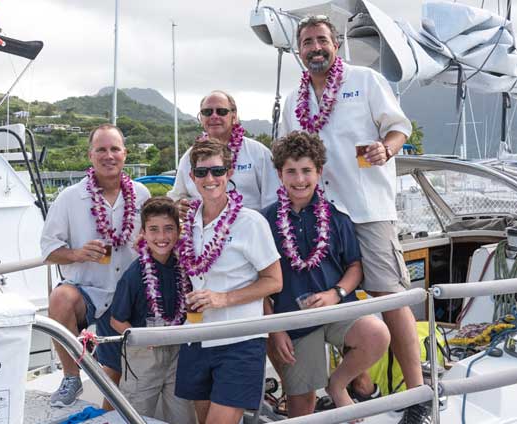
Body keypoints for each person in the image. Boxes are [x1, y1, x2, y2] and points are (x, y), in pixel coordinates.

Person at [279, 15, 430, 424]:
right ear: (299, 50)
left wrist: (387, 148)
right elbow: (292, 154)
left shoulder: (365, 79)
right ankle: (361, 388)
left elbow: (398, 128)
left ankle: (418, 396)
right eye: (307, 41)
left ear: (336, 42)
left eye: (322, 40)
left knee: (388, 296)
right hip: (321, 216)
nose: (315, 47)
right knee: (331, 303)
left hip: (368, 211)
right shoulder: (295, 101)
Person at [262, 131, 390, 419]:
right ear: (280, 174)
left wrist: (336, 293)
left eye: (307, 170)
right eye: (291, 171)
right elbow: (260, 284)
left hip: (337, 308)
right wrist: (276, 329)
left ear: (319, 172)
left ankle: (338, 384)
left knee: (377, 334)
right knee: (301, 404)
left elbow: (354, 267)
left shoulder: (336, 218)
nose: (299, 180)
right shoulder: (265, 221)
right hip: (292, 320)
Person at [40, 124, 151, 408]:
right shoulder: (69, 197)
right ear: (91, 155)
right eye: (101, 149)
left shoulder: (140, 194)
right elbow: (49, 250)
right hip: (87, 291)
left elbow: (154, 238)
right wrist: (77, 254)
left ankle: (108, 411)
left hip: (128, 294)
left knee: (115, 378)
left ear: (125, 154)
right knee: (60, 297)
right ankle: (70, 377)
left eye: (114, 149)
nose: (108, 155)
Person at [173, 139, 282, 424]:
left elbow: (274, 281)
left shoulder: (251, 222)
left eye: (217, 171)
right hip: (196, 337)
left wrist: (222, 298)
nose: (210, 179)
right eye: (201, 173)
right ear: (192, 177)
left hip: (240, 339)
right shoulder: (187, 224)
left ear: (229, 172)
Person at [110, 197, 195, 423]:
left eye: (169, 229)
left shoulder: (184, 267)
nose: (161, 237)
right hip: (143, 355)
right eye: (154, 230)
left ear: (178, 231)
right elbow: (116, 321)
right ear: (144, 233)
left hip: (177, 352)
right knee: (137, 415)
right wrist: (142, 339)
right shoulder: (134, 274)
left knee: (183, 416)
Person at [168, 90, 279, 217]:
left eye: (221, 111)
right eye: (207, 112)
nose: (214, 116)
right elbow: (176, 196)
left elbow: (273, 201)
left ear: (234, 116)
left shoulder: (259, 153)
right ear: (201, 118)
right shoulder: (189, 157)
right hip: (202, 232)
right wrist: (177, 205)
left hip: (249, 231)